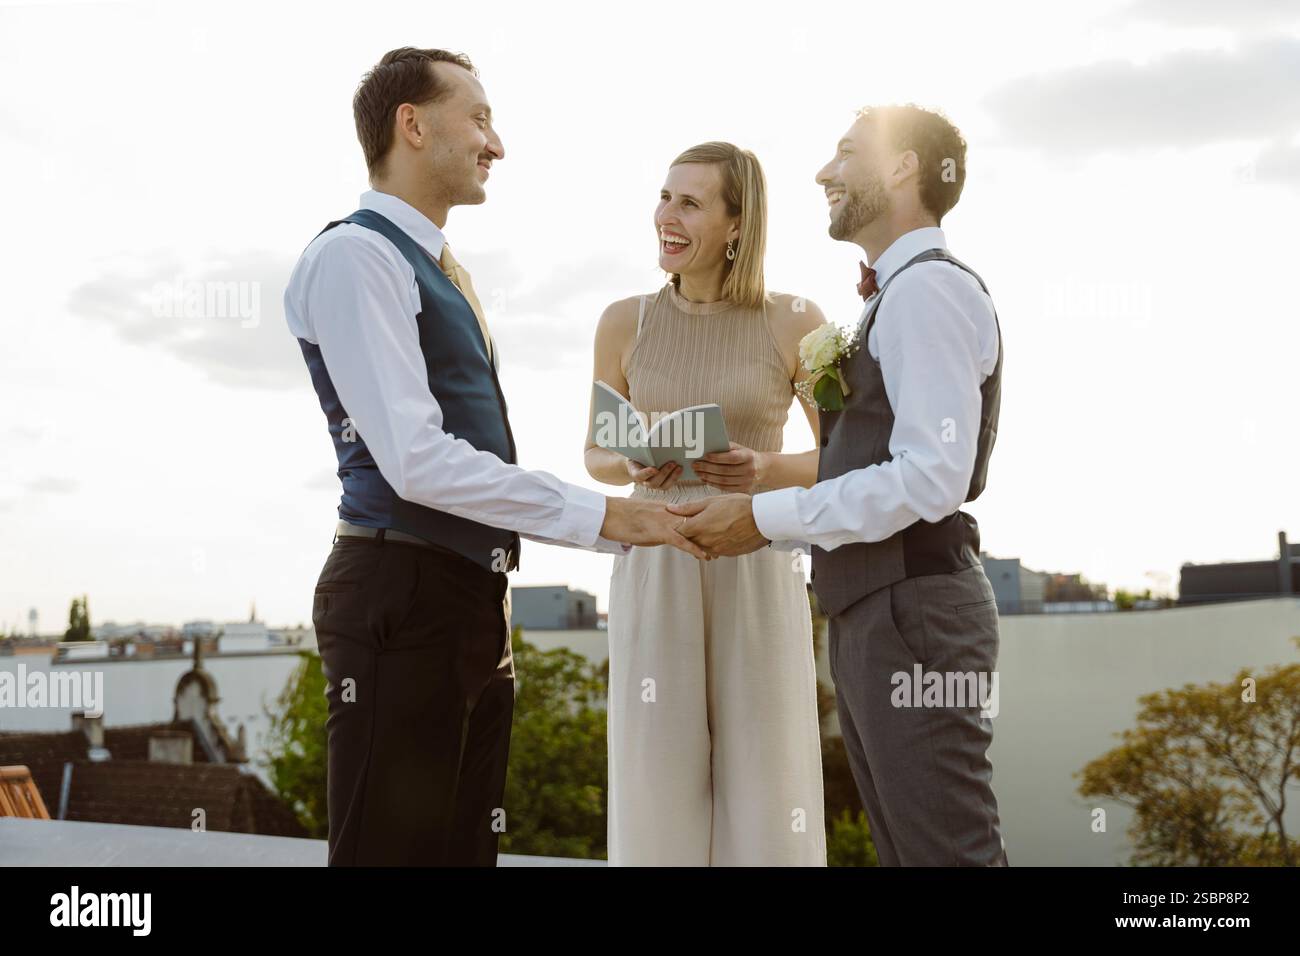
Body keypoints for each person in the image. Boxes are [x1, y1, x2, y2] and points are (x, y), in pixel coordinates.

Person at [283, 47, 705, 866]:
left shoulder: (439, 267)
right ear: (412, 124)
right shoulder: (356, 256)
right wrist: (609, 516)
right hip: (400, 598)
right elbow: (415, 461)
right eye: (478, 117)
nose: (495, 143)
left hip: (468, 601)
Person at [671, 106, 1009, 866]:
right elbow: (879, 457)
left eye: (846, 153)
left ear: (902, 169)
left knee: (945, 850)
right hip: (879, 607)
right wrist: (766, 477)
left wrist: (766, 517)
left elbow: (930, 478)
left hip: (913, 609)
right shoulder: (897, 295)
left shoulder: (927, 292)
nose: (824, 171)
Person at [585, 141, 828, 865]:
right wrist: (627, 459)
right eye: (664, 197)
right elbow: (594, 454)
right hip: (654, 558)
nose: (667, 215)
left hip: (757, 557)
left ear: (735, 224)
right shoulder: (622, 321)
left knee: (767, 776)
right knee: (654, 779)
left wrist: (765, 466)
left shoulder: (795, 319)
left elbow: (847, 458)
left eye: (690, 203)